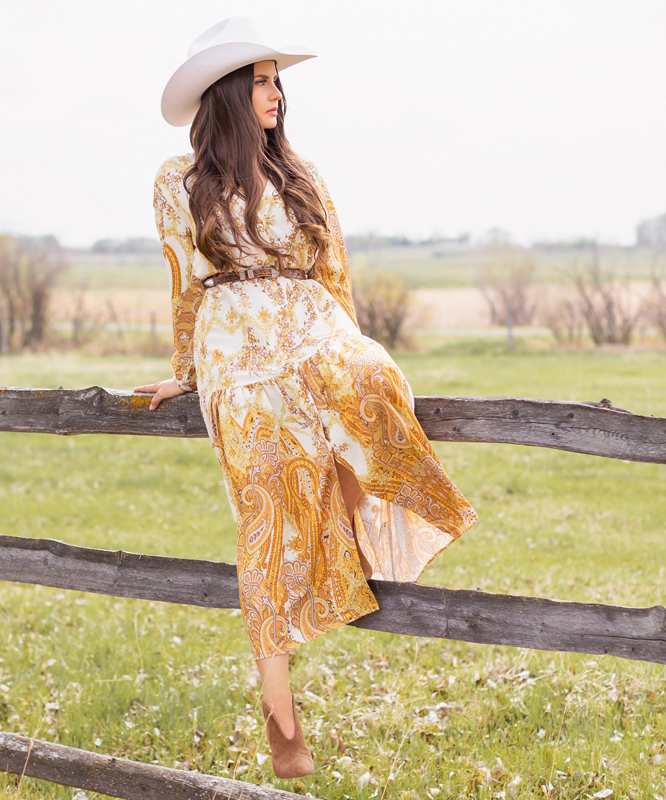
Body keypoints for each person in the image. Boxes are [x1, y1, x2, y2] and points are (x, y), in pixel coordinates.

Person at [134, 16, 478, 780]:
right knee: (265, 515)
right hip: (236, 350)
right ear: (225, 93)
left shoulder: (303, 175)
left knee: (373, 380)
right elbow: (184, 288)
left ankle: (348, 538)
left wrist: (350, 345)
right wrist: (187, 372)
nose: (275, 93)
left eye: (276, 79)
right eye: (259, 80)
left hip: (312, 323)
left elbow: (336, 275)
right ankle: (282, 724)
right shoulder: (177, 182)